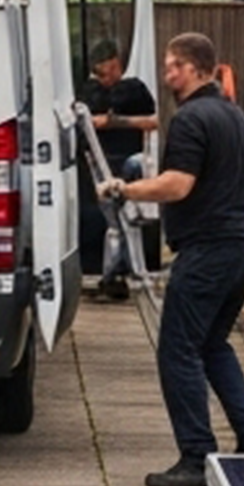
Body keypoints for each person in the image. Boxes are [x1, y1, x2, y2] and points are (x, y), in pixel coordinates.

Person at [101, 31, 244, 486]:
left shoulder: (192, 119)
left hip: (210, 248)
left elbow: (177, 185)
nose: (167, 74)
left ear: (195, 68)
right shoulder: (233, 115)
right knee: (212, 343)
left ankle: (196, 455)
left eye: (173, 66)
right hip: (243, 246)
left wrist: (124, 188)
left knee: (178, 349)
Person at [79, 40, 157, 299]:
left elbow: (153, 120)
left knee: (124, 219)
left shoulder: (134, 90)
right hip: (101, 161)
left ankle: (117, 274)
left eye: (111, 70)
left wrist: (112, 121)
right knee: (115, 220)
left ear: (119, 65)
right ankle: (116, 274)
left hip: (127, 159)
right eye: (102, 73)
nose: (108, 77)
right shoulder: (90, 92)